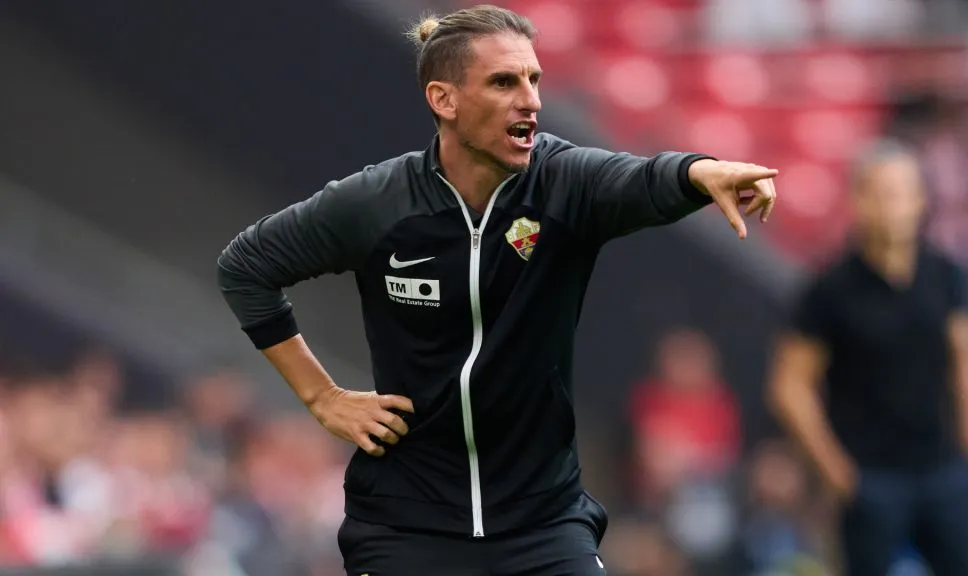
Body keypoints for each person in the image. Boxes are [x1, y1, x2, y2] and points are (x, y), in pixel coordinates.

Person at [216, 5, 778, 575]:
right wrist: (322, 396)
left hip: (543, 526)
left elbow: (636, 179)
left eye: (534, 79)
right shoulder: (377, 203)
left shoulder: (562, 182)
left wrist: (699, 172)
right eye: (504, 81)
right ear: (444, 99)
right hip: (405, 527)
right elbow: (246, 267)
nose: (530, 99)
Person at [768, 139, 968, 576]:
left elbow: (966, 359)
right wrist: (837, 472)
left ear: (921, 201)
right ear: (859, 201)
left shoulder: (945, 273)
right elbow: (789, 386)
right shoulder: (830, 289)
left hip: (944, 470)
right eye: (882, 193)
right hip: (871, 480)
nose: (894, 205)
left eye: (903, 192)